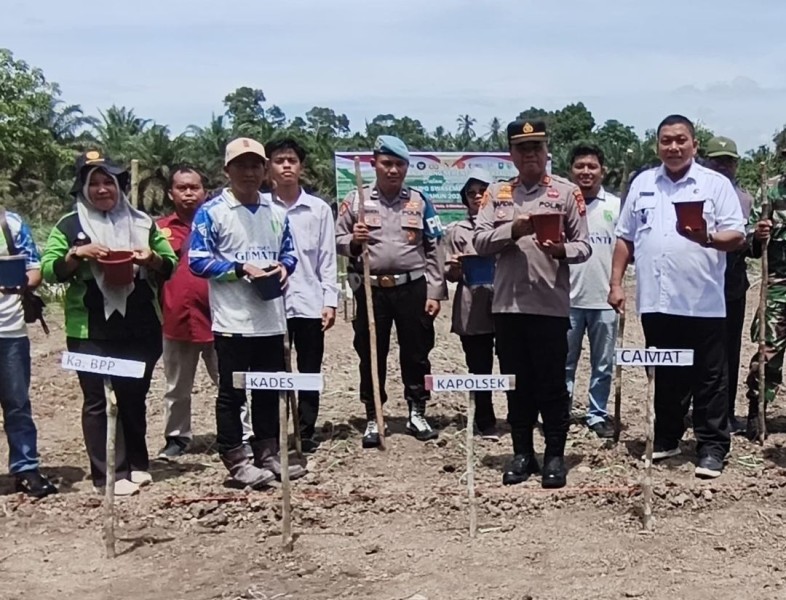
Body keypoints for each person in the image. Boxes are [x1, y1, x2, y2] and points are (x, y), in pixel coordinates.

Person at [609, 115, 745, 479]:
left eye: (680, 140)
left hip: (703, 302)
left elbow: (737, 235)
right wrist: (616, 283)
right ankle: (667, 437)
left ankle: (712, 447)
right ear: (657, 145)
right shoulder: (642, 183)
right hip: (656, 301)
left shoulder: (714, 184)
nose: (673, 147)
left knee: (709, 378)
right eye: (666, 141)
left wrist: (708, 239)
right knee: (666, 373)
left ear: (694, 145)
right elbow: (625, 237)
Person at [41, 150, 177, 496]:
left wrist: (152, 258)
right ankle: (107, 475)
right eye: (95, 183)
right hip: (89, 329)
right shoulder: (69, 226)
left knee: (133, 395)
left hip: (140, 325)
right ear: (83, 188)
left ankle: (137, 463)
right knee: (98, 400)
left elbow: (170, 263)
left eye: (110, 183)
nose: (103, 190)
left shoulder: (143, 223)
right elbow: (49, 268)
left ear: (120, 187)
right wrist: (76, 255)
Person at [474, 119, 591, 488]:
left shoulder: (566, 192)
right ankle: (522, 452)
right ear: (511, 154)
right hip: (507, 308)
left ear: (546, 152)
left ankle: (555, 455)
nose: (530, 155)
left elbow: (584, 245)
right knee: (516, 384)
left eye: (536, 148)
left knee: (552, 385)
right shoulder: (497, 194)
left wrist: (560, 250)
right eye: (522, 149)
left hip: (550, 307)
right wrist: (514, 230)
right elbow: (478, 242)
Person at [189, 137, 306, 488]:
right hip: (233, 320)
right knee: (232, 392)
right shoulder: (213, 212)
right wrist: (241, 269)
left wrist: (284, 269)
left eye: (256, 165)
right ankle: (235, 457)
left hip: (271, 318)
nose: (250, 172)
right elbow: (197, 261)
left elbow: (289, 253)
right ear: (227, 170)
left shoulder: (277, 212)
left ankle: (267, 452)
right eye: (241, 165)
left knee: (269, 388)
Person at [336, 135, 447, 448]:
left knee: (417, 352)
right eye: (387, 163)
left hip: (412, 287)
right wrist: (354, 242)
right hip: (370, 290)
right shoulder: (355, 200)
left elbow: (434, 247)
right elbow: (337, 238)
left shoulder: (419, 201)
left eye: (399, 164)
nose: (393, 170)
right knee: (371, 353)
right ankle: (374, 415)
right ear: (374, 164)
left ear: (407, 167)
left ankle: (417, 410)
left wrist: (435, 292)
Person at [264, 137, 338, 453]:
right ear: (269, 167)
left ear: (301, 167)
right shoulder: (261, 207)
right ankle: (275, 430)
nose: (286, 166)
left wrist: (330, 301)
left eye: (292, 161)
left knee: (309, 369)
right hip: (269, 304)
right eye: (279, 160)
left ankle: (306, 431)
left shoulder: (319, 209)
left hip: (309, 303)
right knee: (272, 370)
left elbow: (327, 257)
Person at [156, 166, 220, 459]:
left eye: (194, 187)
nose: (189, 193)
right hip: (176, 319)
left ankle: (239, 434)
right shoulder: (159, 230)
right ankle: (177, 437)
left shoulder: (219, 223)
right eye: (182, 188)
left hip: (219, 317)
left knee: (230, 382)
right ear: (171, 193)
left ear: (205, 192)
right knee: (177, 386)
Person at [564, 143, 621, 438]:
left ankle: (596, 414)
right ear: (570, 170)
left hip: (604, 300)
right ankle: (561, 411)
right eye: (580, 166)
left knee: (603, 363)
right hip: (566, 299)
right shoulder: (561, 204)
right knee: (564, 361)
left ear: (603, 171)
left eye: (592, 166)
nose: (586, 172)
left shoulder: (615, 206)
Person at [0, 209, 58, 498]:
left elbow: (34, 271)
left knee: (17, 403)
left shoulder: (10, 223)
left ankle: (25, 468)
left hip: (9, 331)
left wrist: (18, 283)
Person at [445, 168, 499, 440]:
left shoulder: (505, 227)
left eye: (482, 192)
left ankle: (517, 416)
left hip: (504, 305)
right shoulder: (456, 231)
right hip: (472, 307)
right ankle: (485, 420)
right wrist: (454, 268)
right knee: (480, 366)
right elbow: (450, 274)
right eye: (471, 193)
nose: (477, 197)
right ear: (464, 199)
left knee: (514, 362)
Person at [704, 137, 754, 434]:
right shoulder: (694, 194)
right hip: (697, 286)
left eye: (728, 161)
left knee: (729, 352)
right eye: (716, 160)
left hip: (731, 287)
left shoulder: (746, 200)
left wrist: (758, 238)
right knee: (697, 351)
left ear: (736, 164)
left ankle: (725, 411)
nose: (722, 166)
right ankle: (692, 410)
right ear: (706, 162)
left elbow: (751, 250)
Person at [743, 145, 786, 440]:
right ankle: (757, 413)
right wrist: (758, 236)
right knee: (767, 351)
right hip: (778, 285)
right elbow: (752, 245)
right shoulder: (770, 190)